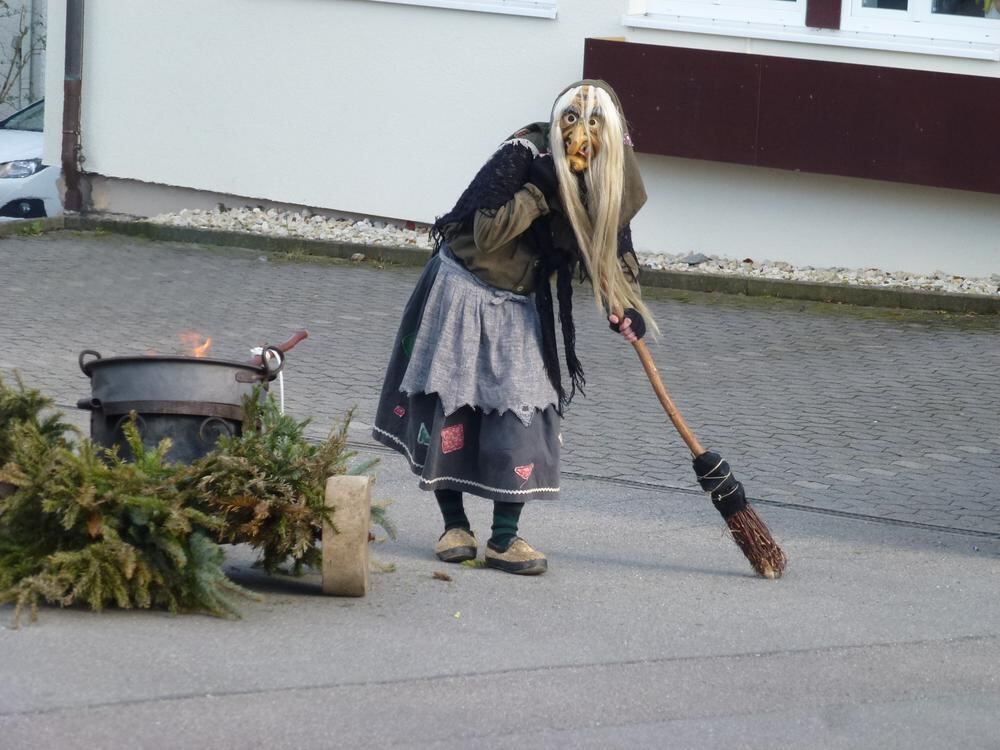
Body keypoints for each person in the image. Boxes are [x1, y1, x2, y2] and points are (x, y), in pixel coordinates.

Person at [372, 80, 657, 575]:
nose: (582, 134)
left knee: (526, 412)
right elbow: (487, 233)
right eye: (573, 119)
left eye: (595, 124)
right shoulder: (523, 150)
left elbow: (609, 240)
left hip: (522, 303)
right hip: (464, 288)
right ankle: (453, 526)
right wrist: (540, 187)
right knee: (450, 409)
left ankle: (504, 539)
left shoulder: (608, 171)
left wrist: (625, 306)